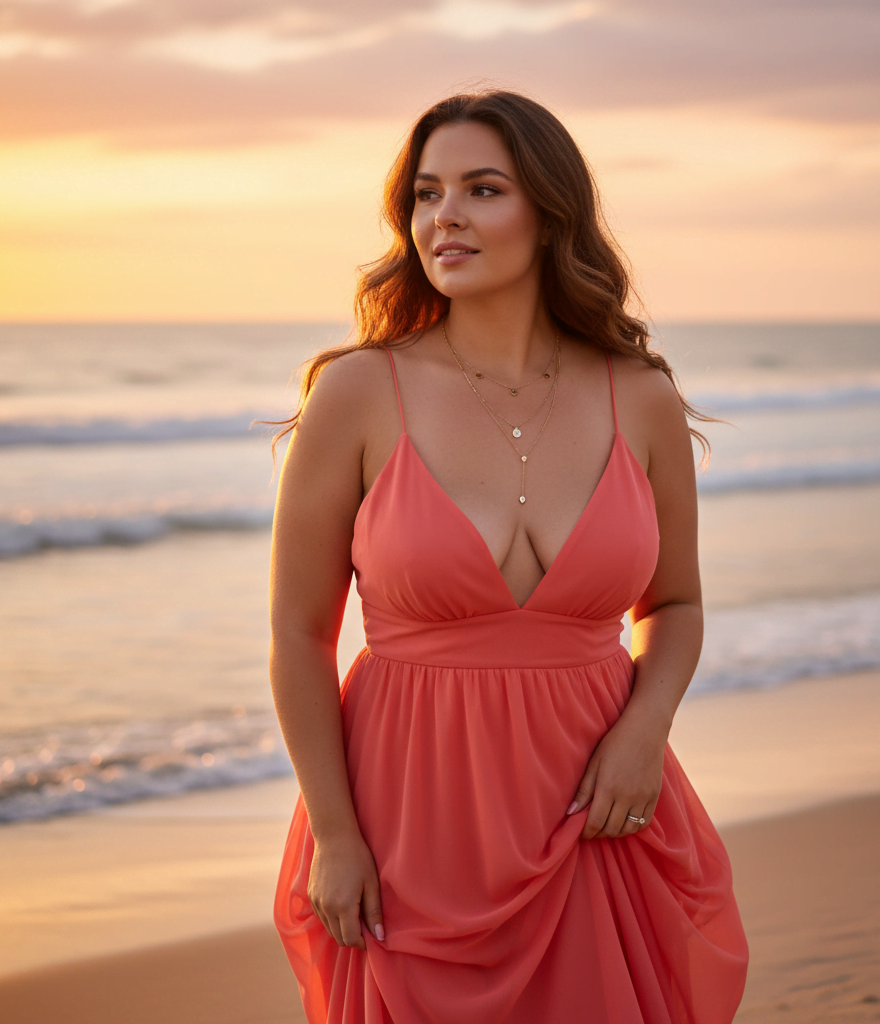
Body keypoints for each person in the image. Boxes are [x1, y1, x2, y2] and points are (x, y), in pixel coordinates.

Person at [269, 90, 748, 1024]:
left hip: (598, 810)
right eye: (426, 194)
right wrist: (334, 833)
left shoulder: (639, 396)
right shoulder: (359, 393)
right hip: (409, 819)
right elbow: (297, 634)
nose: (443, 216)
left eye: (481, 189)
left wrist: (645, 733)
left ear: (551, 214)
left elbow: (675, 606)